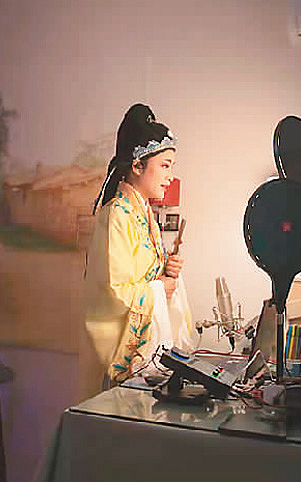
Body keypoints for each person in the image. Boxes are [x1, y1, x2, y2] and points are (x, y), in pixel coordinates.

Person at [81, 103, 195, 395]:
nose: (170, 177)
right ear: (137, 166)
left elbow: (145, 275)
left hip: (148, 356)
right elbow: (113, 292)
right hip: (128, 361)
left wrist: (167, 270)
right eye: (165, 166)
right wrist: (159, 289)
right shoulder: (116, 215)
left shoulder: (144, 214)